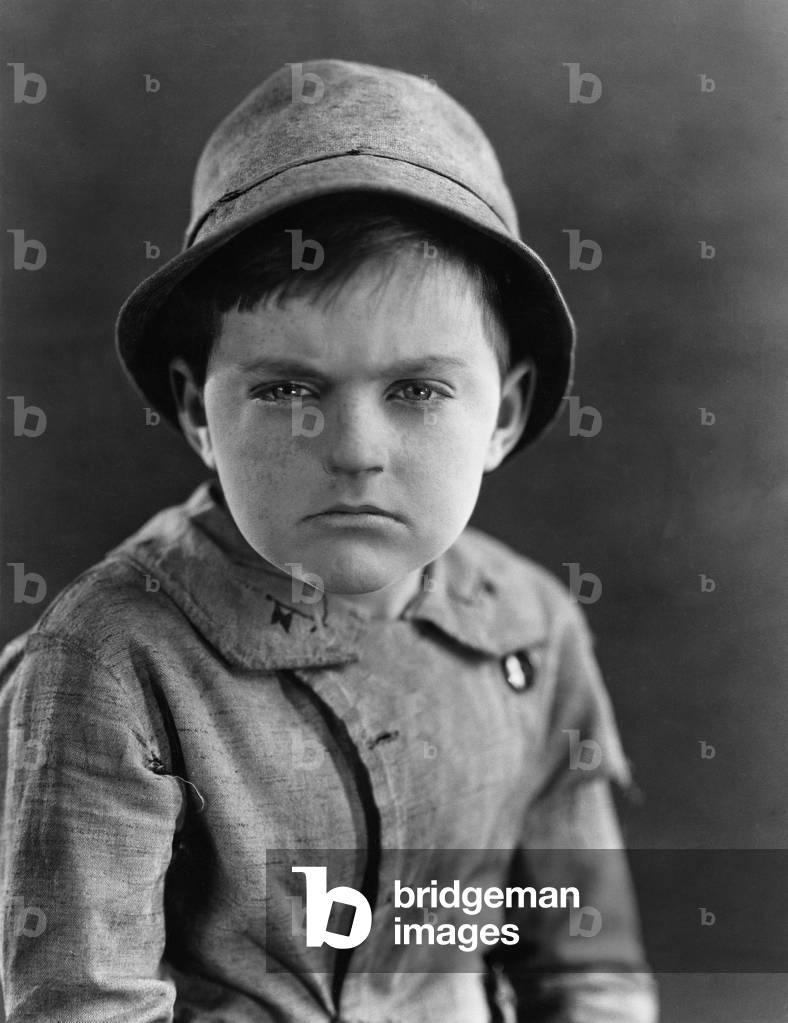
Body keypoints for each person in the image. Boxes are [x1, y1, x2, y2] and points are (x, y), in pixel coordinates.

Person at [0, 59, 659, 1022]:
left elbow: (586, 970)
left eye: (418, 391)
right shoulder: (109, 663)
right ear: (198, 412)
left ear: (504, 415)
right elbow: (81, 1007)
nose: (353, 450)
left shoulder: (533, 628)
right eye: (286, 390)